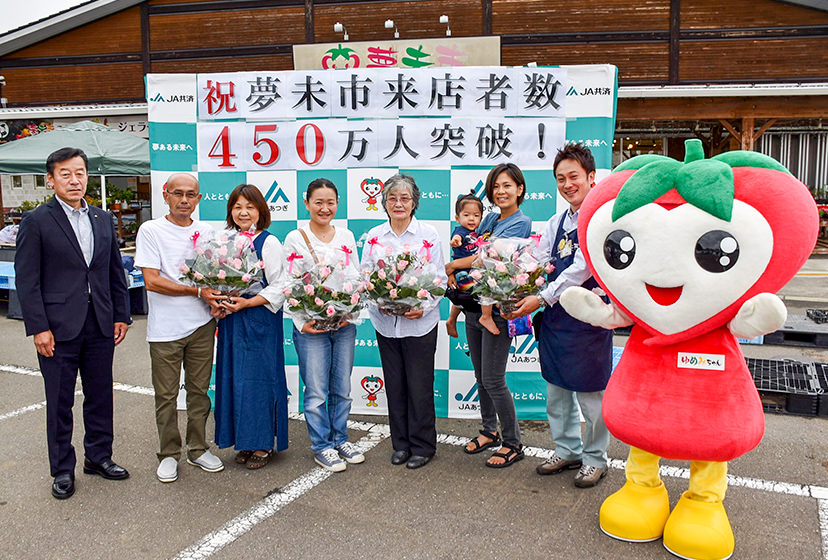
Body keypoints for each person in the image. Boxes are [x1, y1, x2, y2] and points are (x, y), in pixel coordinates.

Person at [15, 147, 131, 499]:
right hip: (57, 327)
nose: (74, 179)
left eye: (79, 172)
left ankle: (99, 457)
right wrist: (38, 327)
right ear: (50, 179)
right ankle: (62, 468)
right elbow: (27, 280)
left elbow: (114, 270)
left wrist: (121, 314)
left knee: (100, 396)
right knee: (60, 400)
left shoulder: (101, 218)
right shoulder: (36, 221)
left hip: (99, 323)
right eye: (65, 173)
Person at [506, 144, 613, 488]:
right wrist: (513, 277)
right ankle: (567, 450)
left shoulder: (602, 218)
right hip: (556, 320)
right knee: (557, 392)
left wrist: (541, 296)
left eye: (574, 177)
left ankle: (596, 458)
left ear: (591, 178)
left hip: (589, 318)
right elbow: (539, 258)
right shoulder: (557, 220)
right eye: (560, 178)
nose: (567, 184)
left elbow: (581, 269)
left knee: (591, 397)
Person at [134, 173, 225, 483]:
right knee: (167, 395)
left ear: (199, 199)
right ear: (166, 195)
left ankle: (198, 449)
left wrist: (215, 300)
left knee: (199, 393)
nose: (184, 200)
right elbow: (152, 280)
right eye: (178, 194)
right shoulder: (151, 230)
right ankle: (169, 453)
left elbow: (215, 275)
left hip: (201, 324)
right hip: (165, 330)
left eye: (191, 194)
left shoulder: (207, 231)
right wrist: (197, 292)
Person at [446, 163, 531, 468]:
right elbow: (470, 243)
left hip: (497, 310)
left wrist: (454, 266)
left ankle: (513, 442)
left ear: (519, 189)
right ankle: (489, 431)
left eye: (507, 185)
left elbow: (486, 258)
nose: (501, 191)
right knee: (481, 378)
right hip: (473, 308)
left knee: (494, 379)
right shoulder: (490, 217)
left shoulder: (520, 222)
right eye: (496, 186)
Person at [360, 174, 446, 470]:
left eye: (404, 198)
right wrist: (379, 301)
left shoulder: (428, 235)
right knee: (394, 385)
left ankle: (423, 445)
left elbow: (439, 280)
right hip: (386, 325)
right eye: (392, 198)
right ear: (384, 203)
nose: (398, 203)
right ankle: (401, 444)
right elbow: (365, 279)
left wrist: (422, 306)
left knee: (420, 386)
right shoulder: (374, 236)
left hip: (420, 324)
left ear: (414, 203)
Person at [282, 178, 363, 473]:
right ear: (307, 204)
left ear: (337, 204)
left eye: (330, 202)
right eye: (318, 202)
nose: (324, 208)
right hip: (311, 326)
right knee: (316, 390)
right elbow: (289, 283)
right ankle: (322, 446)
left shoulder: (346, 235)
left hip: (343, 324)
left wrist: (350, 312)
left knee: (342, 387)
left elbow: (354, 277)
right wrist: (301, 321)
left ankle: (341, 438)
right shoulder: (295, 237)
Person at [214, 184, 288, 469]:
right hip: (232, 319)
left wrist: (247, 302)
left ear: (260, 211)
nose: (243, 212)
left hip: (259, 318)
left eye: (249, 207)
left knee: (260, 380)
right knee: (234, 378)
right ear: (230, 210)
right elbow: (215, 276)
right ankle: (243, 440)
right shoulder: (224, 240)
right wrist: (220, 298)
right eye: (237, 207)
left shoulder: (269, 242)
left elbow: (281, 284)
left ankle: (262, 443)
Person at [444, 193, 499, 338]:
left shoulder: (478, 233)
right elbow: (457, 237)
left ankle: (451, 319)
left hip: (473, 270)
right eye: (466, 215)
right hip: (462, 271)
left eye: (476, 215)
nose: (471, 219)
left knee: (462, 298)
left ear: (481, 218)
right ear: (457, 218)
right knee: (479, 290)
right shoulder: (460, 231)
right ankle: (485, 316)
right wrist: (455, 241)